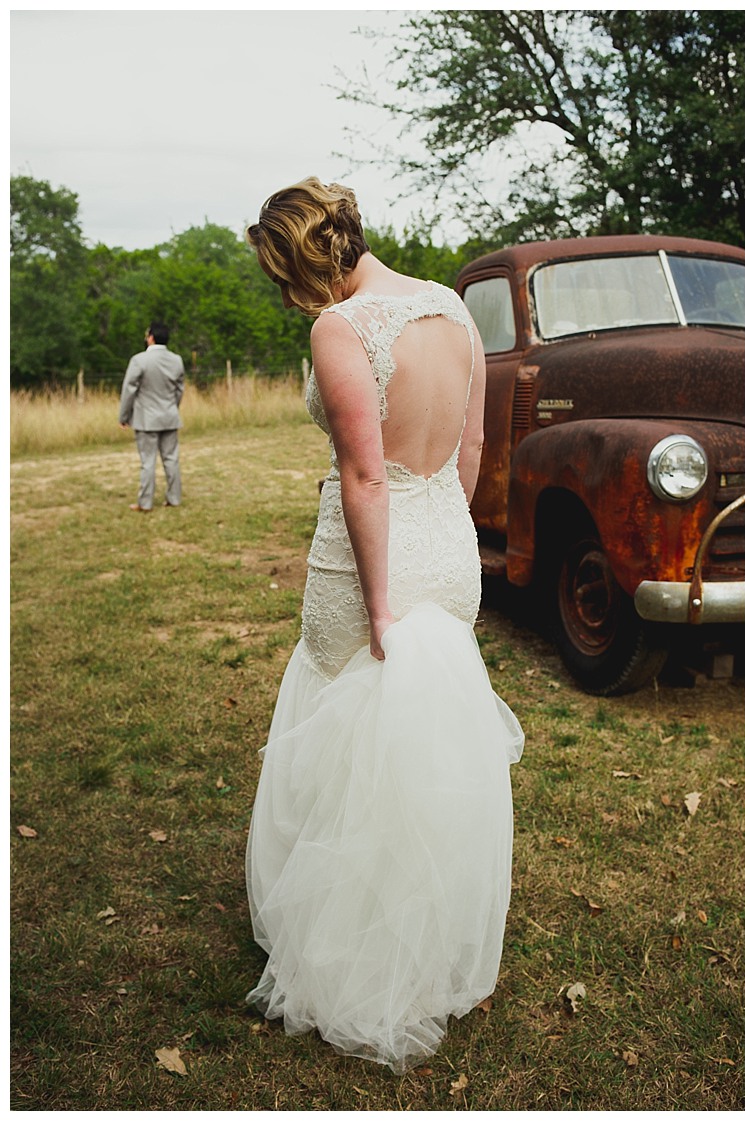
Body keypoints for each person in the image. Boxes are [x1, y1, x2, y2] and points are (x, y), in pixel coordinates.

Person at [242, 177, 523, 1071]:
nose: (293, 298)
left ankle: (351, 950)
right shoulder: (454, 310)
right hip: (448, 546)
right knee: (428, 747)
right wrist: (447, 536)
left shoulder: (340, 327)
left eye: (284, 277)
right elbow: (473, 450)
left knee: (345, 731)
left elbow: (364, 477)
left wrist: (376, 605)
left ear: (301, 262)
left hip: (375, 562)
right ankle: (434, 939)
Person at [118, 322, 185, 512]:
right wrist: (172, 407)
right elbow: (180, 389)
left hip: (146, 420)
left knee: (148, 462)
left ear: (151, 338)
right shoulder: (177, 360)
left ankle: (145, 503)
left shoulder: (139, 360)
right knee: (171, 459)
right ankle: (174, 498)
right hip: (170, 417)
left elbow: (129, 390)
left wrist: (124, 416)